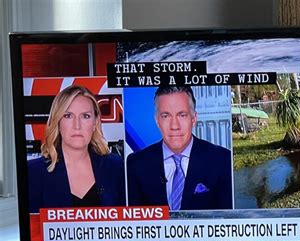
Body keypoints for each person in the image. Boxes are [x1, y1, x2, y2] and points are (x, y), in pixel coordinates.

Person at [126, 86, 233, 210]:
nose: (174, 126)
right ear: (157, 121)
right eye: (166, 116)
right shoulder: (136, 164)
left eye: (182, 115)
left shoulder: (222, 160)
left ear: (194, 119)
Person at [28, 85, 126, 213]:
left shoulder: (116, 168)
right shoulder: (33, 172)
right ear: (57, 121)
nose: (77, 126)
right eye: (68, 116)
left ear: (95, 123)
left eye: (85, 116)